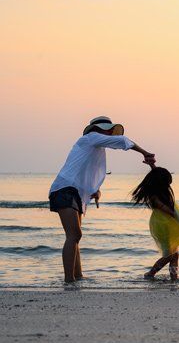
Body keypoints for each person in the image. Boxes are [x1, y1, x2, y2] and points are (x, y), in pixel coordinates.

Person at [49, 116, 156, 283]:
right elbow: (122, 140)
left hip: (75, 193)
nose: (110, 133)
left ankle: (78, 277)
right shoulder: (89, 139)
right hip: (64, 189)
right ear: (100, 129)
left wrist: (96, 191)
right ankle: (69, 280)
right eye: (108, 130)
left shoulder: (96, 150)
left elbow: (91, 174)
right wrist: (145, 153)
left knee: (76, 237)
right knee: (74, 235)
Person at [131, 166, 179, 281]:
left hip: (168, 224)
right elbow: (169, 212)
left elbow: (157, 174)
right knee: (169, 255)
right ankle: (150, 274)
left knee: (175, 254)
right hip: (161, 225)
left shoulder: (160, 191)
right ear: (160, 183)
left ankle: (174, 278)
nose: (168, 186)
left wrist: (152, 165)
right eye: (166, 183)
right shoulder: (154, 196)